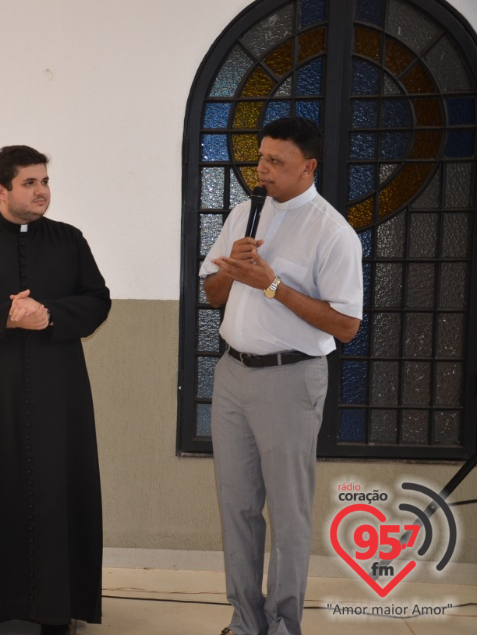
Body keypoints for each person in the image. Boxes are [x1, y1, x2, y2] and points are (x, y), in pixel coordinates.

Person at [0, 145, 111, 635]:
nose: (42, 191)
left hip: (56, 393)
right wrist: (5, 315)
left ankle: (54, 611)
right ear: (0, 190)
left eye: (45, 181)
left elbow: (97, 300)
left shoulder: (69, 240)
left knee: (55, 488)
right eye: (30, 182)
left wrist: (48, 315)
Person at [199, 117, 363, 635]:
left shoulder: (332, 231)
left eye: (276, 161)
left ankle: (283, 625)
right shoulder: (245, 213)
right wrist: (231, 271)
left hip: (290, 380)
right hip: (232, 375)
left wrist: (273, 286)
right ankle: (245, 623)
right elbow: (212, 295)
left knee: (288, 516)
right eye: (262, 157)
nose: (262, 169)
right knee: (238, 508)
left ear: (308, 167)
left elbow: (347, 325)